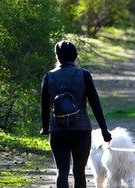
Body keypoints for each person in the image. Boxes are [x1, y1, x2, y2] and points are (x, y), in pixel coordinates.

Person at [40, 40, 112, 188]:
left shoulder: (48, 77)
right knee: (79, 171)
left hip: (58, 130)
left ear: (57, 57)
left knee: (62, 171)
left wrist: (45, 128)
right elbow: (95, 104)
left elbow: (45, 106)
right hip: (81, 130)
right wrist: (104, 130)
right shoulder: (84, 75)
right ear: (75, 56)